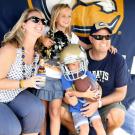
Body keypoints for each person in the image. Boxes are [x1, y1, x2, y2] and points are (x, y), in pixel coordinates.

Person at [60, 22, 128, 135]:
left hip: (104, 103)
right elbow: (67, 90)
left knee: (117, 114)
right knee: (59, 110)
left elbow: (121, 93)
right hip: (79, 104)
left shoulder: (117, 60)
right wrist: (70, 99)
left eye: (107, 37)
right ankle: (76, 131)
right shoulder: (80, 58)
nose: (104, 41)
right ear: (91, 39)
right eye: (98, 37)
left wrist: (98, 103)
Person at [0, 8, 47, 135]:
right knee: (12, 129)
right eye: (35, 20)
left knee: (37, 109)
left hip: (14, 94)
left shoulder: (37, 53)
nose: (40, 24)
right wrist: (24, 83)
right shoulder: (10, 49)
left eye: (43, 21)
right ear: (23, 25)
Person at [59, 45, 106, 135]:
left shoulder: (87, 73)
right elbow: (70, 93)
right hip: (77, 109)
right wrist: (85, 95)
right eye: (73, 64)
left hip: (90, 104)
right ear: (66, 65)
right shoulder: (66, 78)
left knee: (98, 125)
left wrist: (98, 95)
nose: (77, 66)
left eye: (78, 63)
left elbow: (98, 86)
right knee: (84, 129)